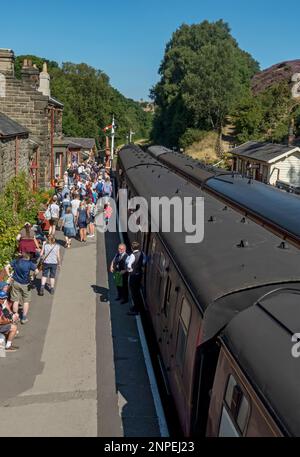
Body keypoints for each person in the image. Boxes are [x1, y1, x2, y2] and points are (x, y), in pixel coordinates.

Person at [5, 253, 39, 324]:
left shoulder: (16, 261)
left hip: (16, 283)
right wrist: (33, 276)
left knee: (15, 300)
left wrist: (9, 275)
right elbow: (37, 271)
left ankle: (15, 316)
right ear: (28, 257)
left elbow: (6, 267)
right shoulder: (30, 263)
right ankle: (23, 318)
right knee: (26, 301)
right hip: (25, 284)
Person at [126, 241, 146, 315]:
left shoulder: (132, 255)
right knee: (137, 291)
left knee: (134, 293)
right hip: (139, 274)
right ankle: (138, 306)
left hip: (133, 276)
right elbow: (144, 261)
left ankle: (136, 308)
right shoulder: (142, 253)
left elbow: (129, 265)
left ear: (132, 248)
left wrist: (130, 270)